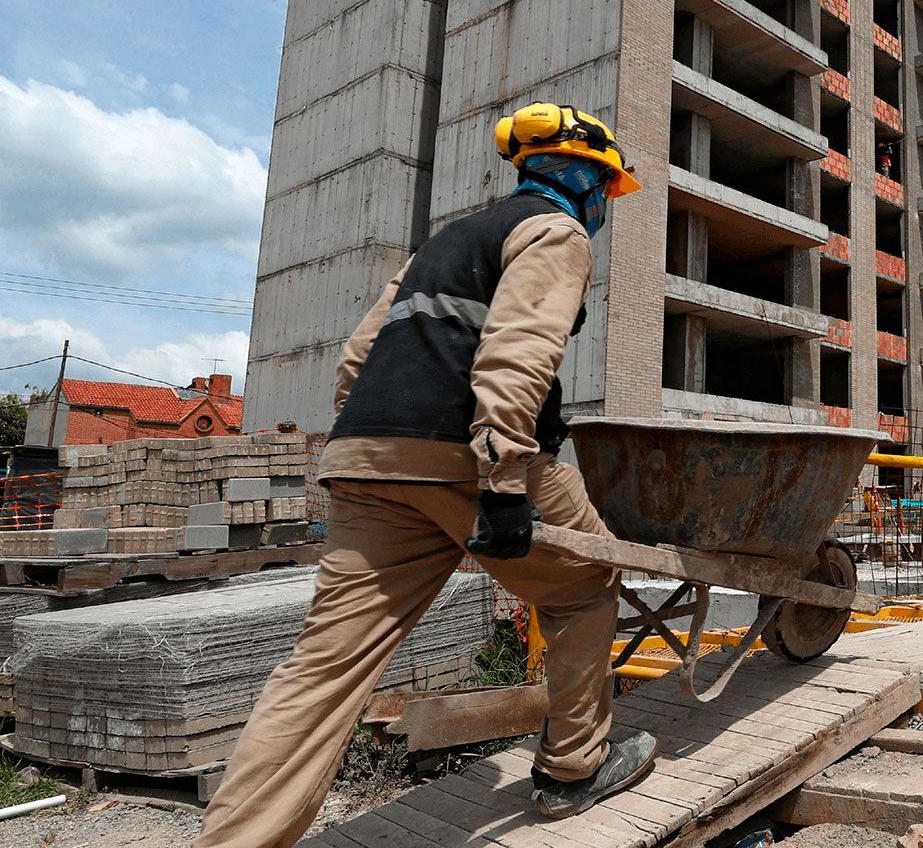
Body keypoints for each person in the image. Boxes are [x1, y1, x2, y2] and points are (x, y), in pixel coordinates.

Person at [196, 103, 656, 848]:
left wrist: (374, 440)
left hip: (369, 460)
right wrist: (504, 482)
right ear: (585, 178)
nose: (608, 203)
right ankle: (573, 769)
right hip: (469, 461)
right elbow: (519, 354)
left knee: (323, 669)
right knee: (583, 586)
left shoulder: (443, 243)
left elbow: (357, 357)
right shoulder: (555, 231)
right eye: (608, 186)